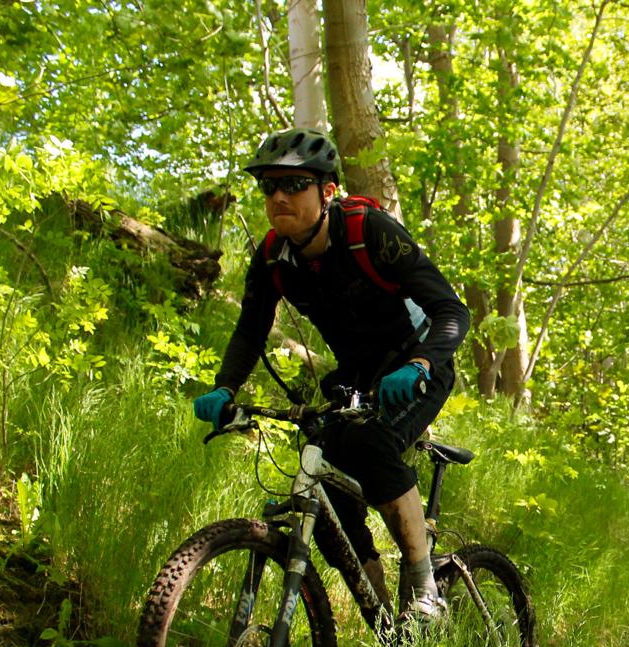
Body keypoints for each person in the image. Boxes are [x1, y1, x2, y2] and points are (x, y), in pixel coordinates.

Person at [192, 128, 470, 621]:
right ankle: (387, 622)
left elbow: (451, 310)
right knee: (322, 472)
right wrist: (224, 387)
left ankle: (425, 588)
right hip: (359, 375)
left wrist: (421, 363)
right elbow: (249, 332)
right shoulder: (274, 257)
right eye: (269, 186)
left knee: (369, 446)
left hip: (418, 360)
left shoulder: (370, 232)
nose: (279, 196)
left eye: (295, 184)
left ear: (327, 191)